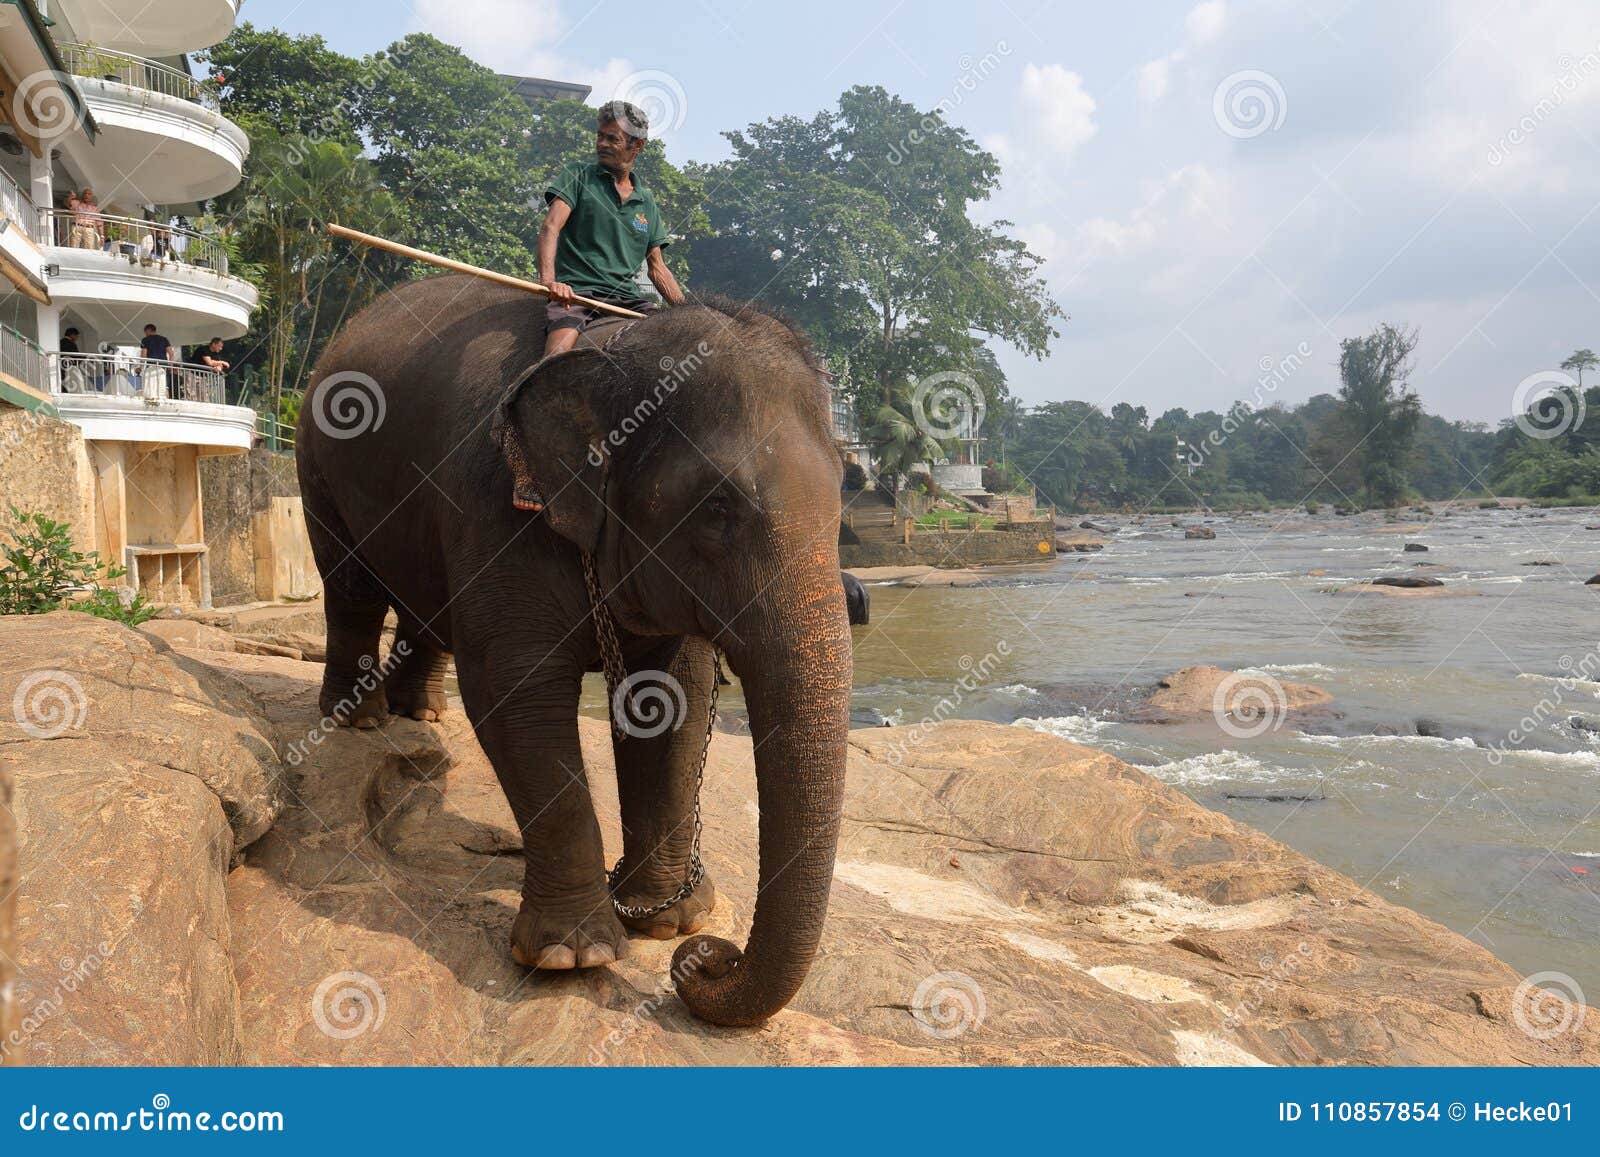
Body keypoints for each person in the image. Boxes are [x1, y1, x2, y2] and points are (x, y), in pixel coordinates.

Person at [538, 100, 684, 357]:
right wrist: (551, 283)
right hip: (577, 294)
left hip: (629, 300)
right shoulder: (578, 175)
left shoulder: (646, 199)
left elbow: (658, 269)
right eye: (600, 136)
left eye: (612, 139)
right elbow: (551, 227)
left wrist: (687, 312)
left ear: (636, 146)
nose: (601, 144)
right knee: (555, 358)